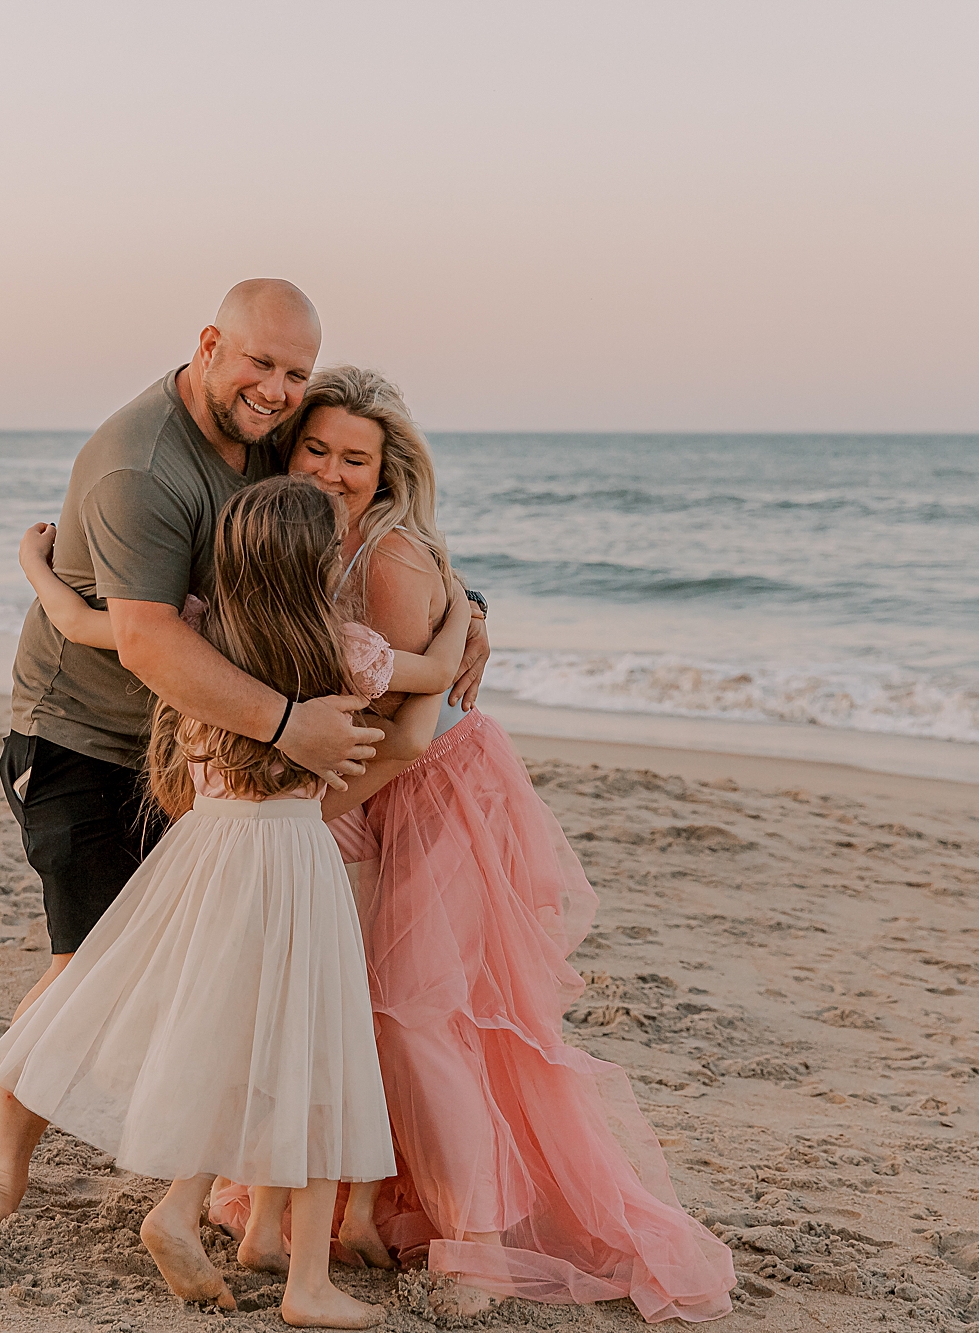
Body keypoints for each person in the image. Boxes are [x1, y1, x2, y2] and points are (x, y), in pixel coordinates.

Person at [0, 280, 492, 1246]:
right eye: (260, 364)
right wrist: (290, 725)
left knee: (208, 969)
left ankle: (199, 1188)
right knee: (88, 964)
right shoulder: (141, 467)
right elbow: (150, 640)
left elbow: (354, 503)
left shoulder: (271, 435)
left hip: (206, 753)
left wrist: (467, 596)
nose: (278, 391)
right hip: (93, 738)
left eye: (295, 372)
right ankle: (6, 1160)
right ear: (208, 345)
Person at [213, 368, 738, 1324]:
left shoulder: (391, 558)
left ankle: (479, 1250)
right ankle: (354, 1207)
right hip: (365, 788)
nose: (332, 471)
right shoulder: (305, 542)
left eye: (355, 458)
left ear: (387, 469)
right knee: (360, 1010)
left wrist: (462, 617)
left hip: (436, 787)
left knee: (419, 1012)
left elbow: (421, 710)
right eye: (316, 450)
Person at [0, 477, 470, 1327]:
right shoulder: (348, 647)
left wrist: (35, 561)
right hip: (291, 856)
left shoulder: (200, 635)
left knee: (227, 1036)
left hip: (203, 852)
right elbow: (430, 676)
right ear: (322, 564)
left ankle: (184, 1209)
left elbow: (78, 623)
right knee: (318, 1053)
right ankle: (307, 1283)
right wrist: (466, 608)